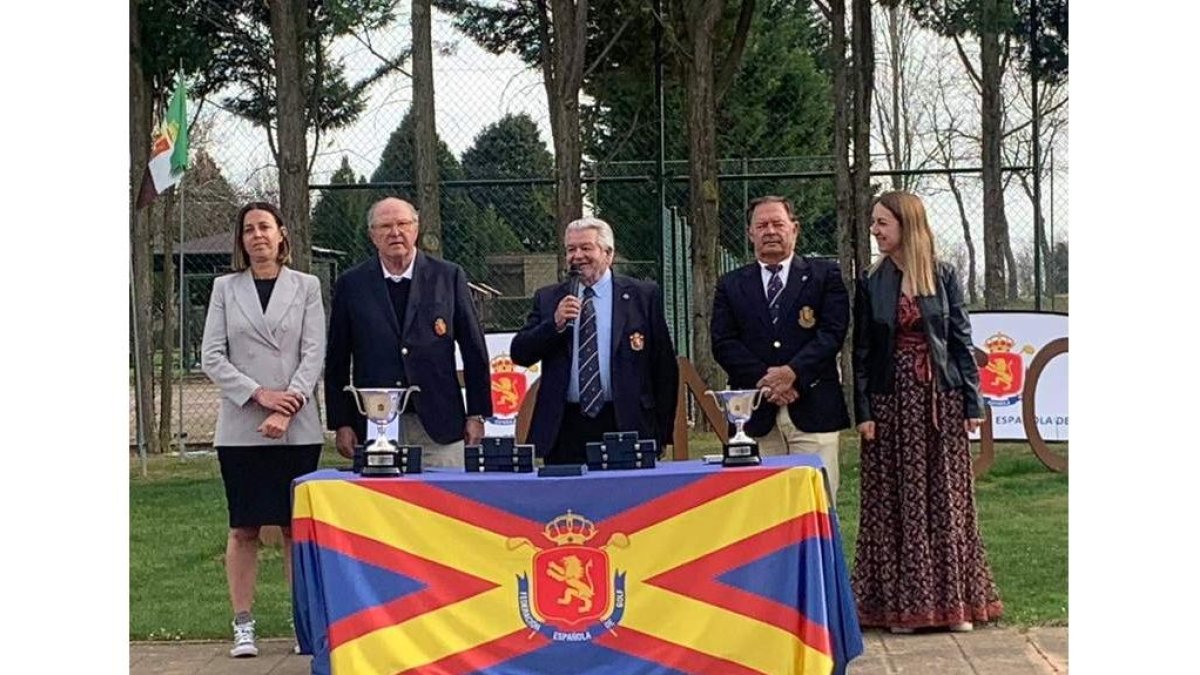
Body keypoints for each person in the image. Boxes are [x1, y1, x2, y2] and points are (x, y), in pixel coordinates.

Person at [851, 190, 1003, 633]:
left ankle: (952, 605)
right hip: (889, 402)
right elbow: (861, 352)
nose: (875, 231)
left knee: (946, 498)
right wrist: (864, 410)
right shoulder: (871, 283)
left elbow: (959, 339)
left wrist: (972, 402)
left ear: (906, 225)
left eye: (882, 223)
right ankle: (900, 607)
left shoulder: (943, 274)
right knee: (894, 500)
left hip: (939, 399)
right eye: (874, 223)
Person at [200, 201, 326, 658]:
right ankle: (243, 624)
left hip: (298, 427)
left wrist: (286, 406)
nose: (257, 236)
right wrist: (260, 396)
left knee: (295, 529)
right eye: (249, 229)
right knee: (244, 528)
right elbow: (212, 356)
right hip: (242, 428)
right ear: (241, 239)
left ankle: (302, 625)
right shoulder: (225, 289)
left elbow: (313, 354)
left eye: (265, 227)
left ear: (282, 235)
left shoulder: (307, 287)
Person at [324, 197, 492, 467]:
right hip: (375, 423)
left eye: (403, 223)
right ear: (372, 235)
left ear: (416, 228)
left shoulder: (449, 277)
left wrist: (477, 414)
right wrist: (341, 422)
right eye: (385, 226)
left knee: (443, 506)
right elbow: (337, 360)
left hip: (441, 426)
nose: (395, 232)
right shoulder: (351, 285)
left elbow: (474, 351)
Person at [710, 196, 851, 498]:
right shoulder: (730, 285)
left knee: (818, 504)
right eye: (761, 225)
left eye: (778, 224)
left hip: (814, 408)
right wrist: (769, 380)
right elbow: (723, 343)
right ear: (750, 234)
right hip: (757, 415)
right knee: (765, 508)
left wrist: (793, 373)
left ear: (794, 229)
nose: (770, 231)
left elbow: (832, 333)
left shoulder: (825, 276)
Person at [511, 216, 679, 464]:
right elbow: (520, 353)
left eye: (586, 248)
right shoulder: (549, 298)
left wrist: (661, 433)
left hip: (625, 422)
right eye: (571, 249)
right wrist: (554, 324)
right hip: (566, 427)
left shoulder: (642, 297)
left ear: (608, 253)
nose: (577, 256)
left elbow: (664, 370)